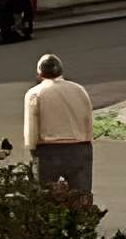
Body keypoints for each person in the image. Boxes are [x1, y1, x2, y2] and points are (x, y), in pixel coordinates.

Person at [23, 53, 95, 202]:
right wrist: (87, 141)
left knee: (45, 196)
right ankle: (82, 222)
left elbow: (31, 127)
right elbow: (88, 118)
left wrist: (32, 148)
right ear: (61, 71)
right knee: (81, 195)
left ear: (40, 73)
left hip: (48, 150)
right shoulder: (79, 89)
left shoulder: (35, 93)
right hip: (80, 147)